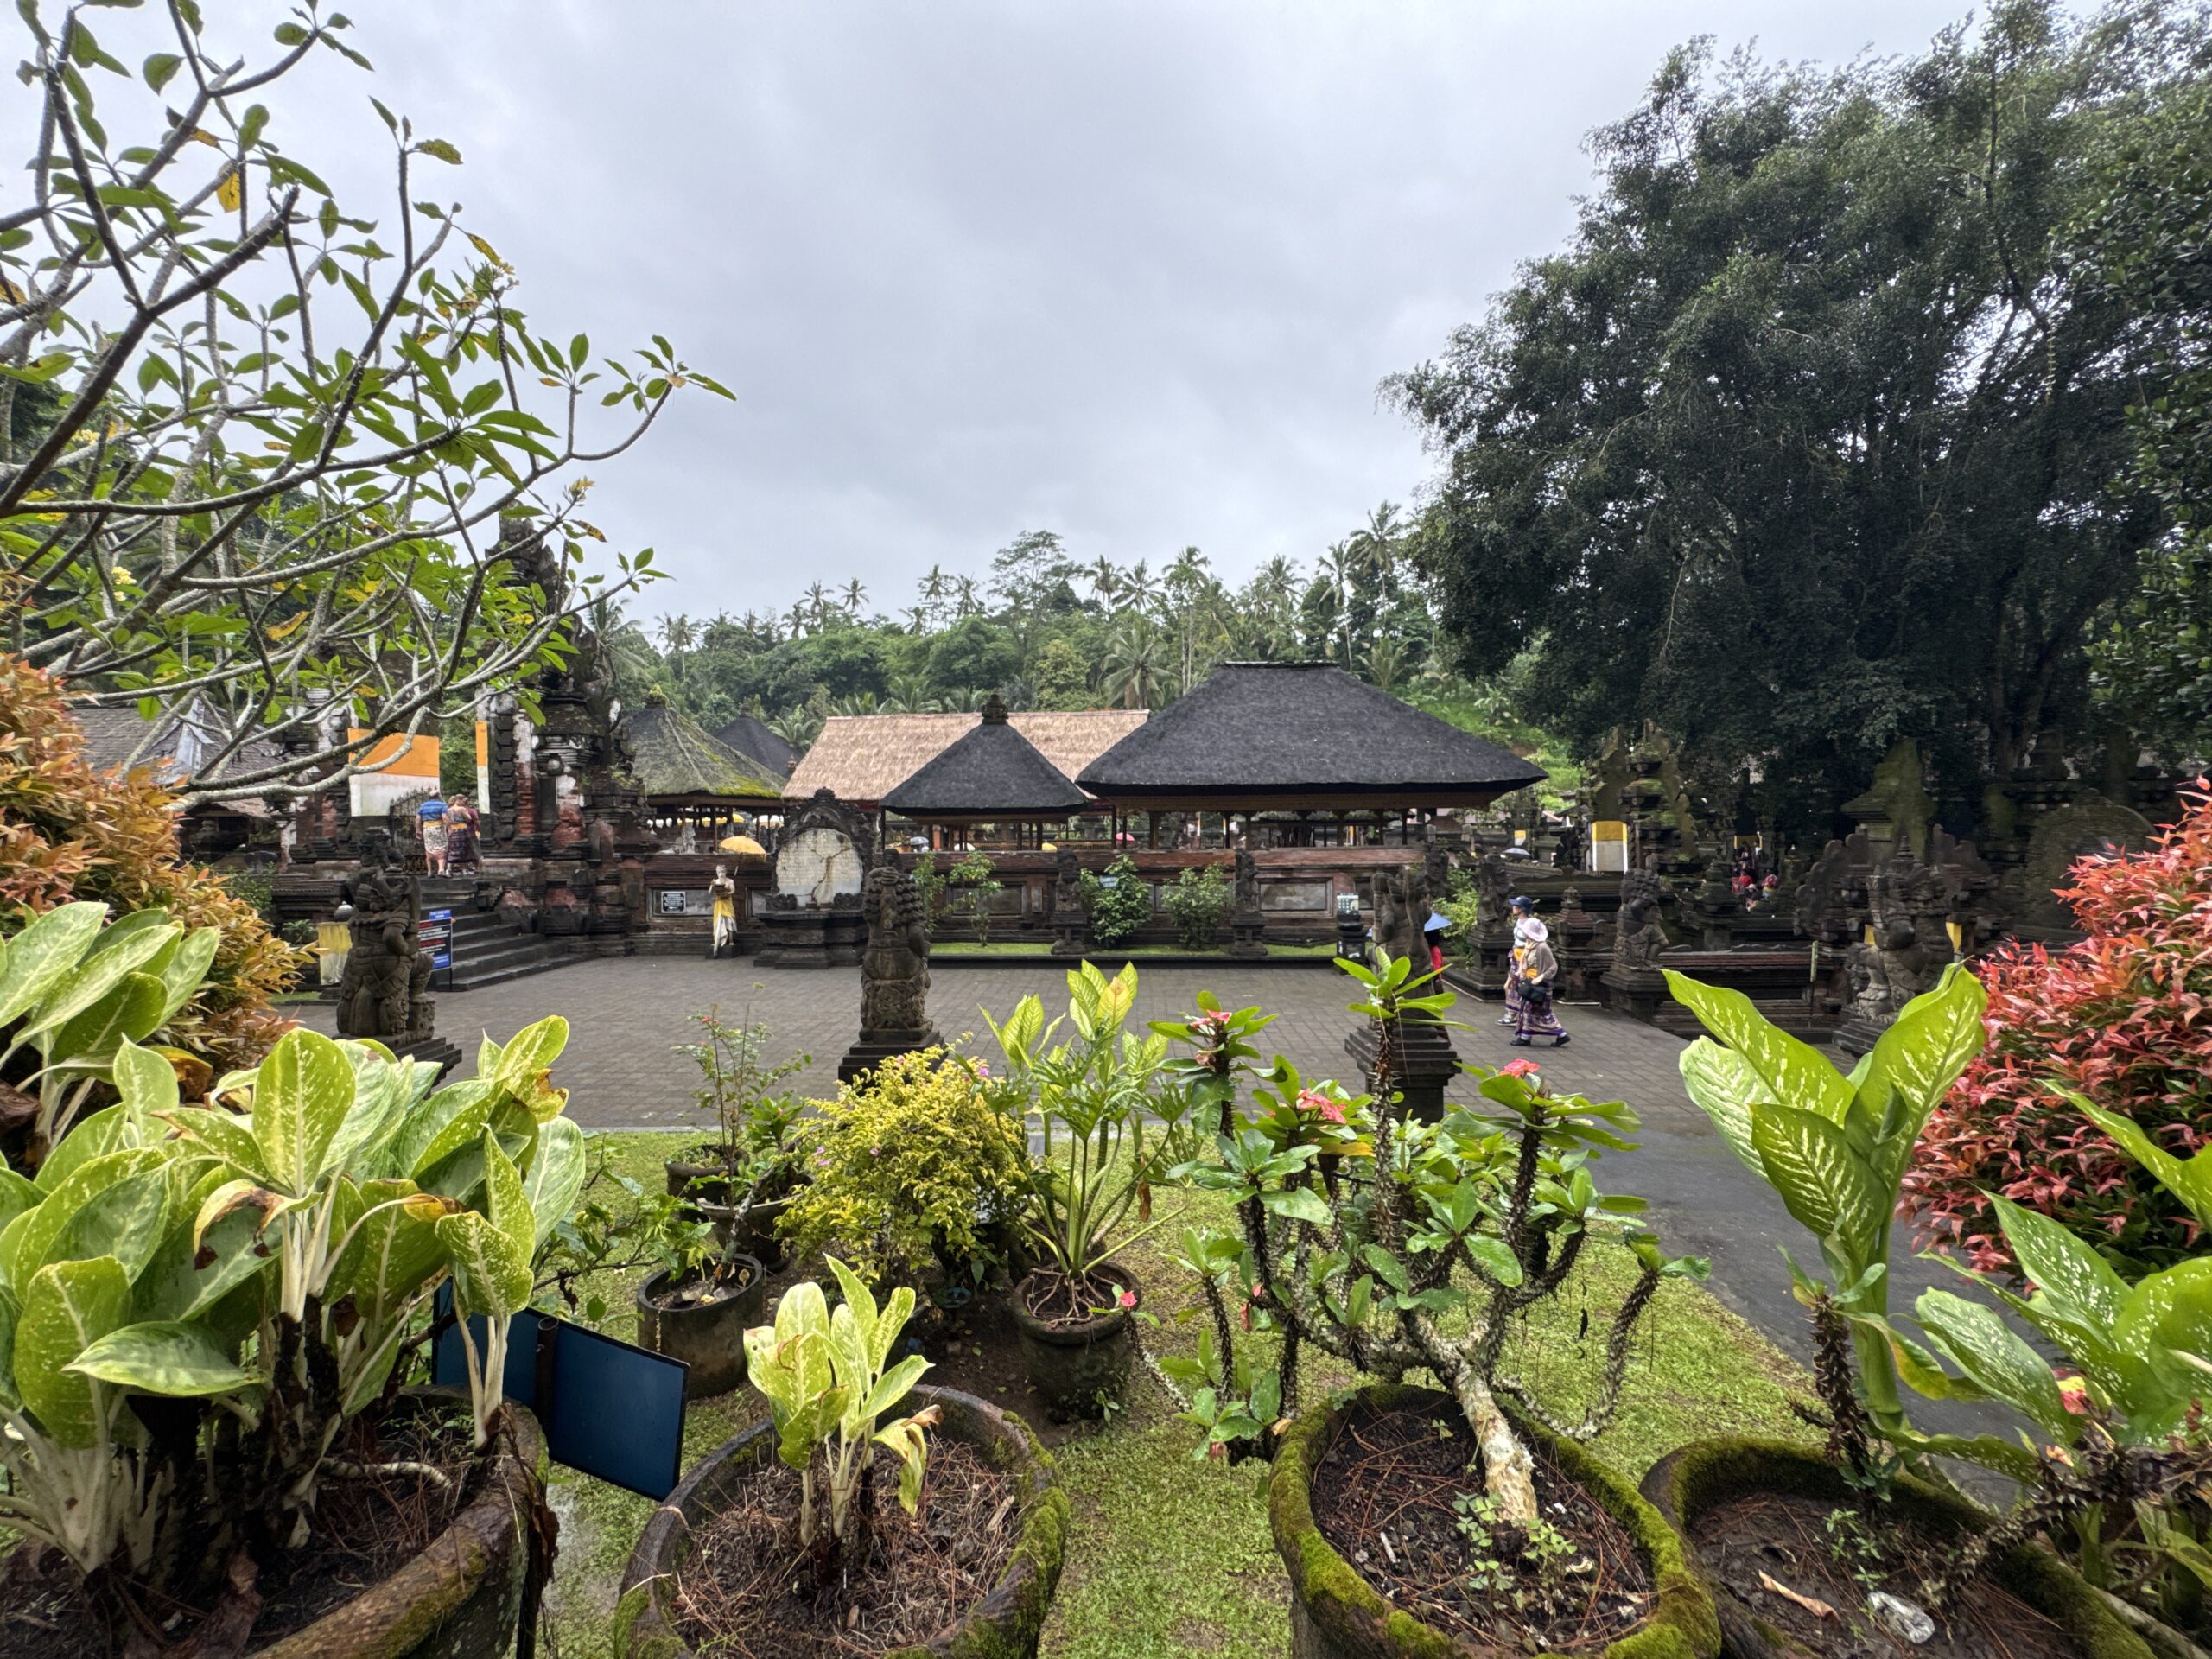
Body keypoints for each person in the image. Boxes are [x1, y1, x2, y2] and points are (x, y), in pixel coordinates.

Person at [1513, 936, 1569, 1047]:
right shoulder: (1530, 947)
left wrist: (1541, 977)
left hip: (1540, 986)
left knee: (1542, 1013)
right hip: (1530, 983)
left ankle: (1561, 1034)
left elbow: (1553, 966)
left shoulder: (1542, 947)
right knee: (1528, 1011)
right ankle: (1525, 1037)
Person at [1502, 895, 1547, 1026]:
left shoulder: (1531, 924)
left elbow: (1533, 943)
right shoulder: (1518, 922)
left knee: (1516, 986)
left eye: (1516, 906)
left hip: (1524, 958)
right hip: (1515, 956)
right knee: (1509, 985)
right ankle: (1513, 1013)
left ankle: (1514, 1015)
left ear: (1522, 909)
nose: (1513, 908)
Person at [443, 794, 479, 874]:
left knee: (453, 849)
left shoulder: (448, 810)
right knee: (463, 849)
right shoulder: (461, 809)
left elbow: (446, 821)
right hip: (462, 829)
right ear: (458, 800)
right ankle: (464, 870)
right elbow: (469, 819)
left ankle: (448, 869)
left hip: (452, 830)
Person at [416, 793, 448, 875]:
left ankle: (429, 871)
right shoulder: (442, 804)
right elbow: (444, 817)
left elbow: (418, 818)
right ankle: (441, 869)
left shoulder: (423, 806)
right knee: (442, 847)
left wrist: (418, 830)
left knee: (429, 847)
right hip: (439, 827)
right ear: (438, 797)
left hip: (427, 828)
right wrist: (449, 827)